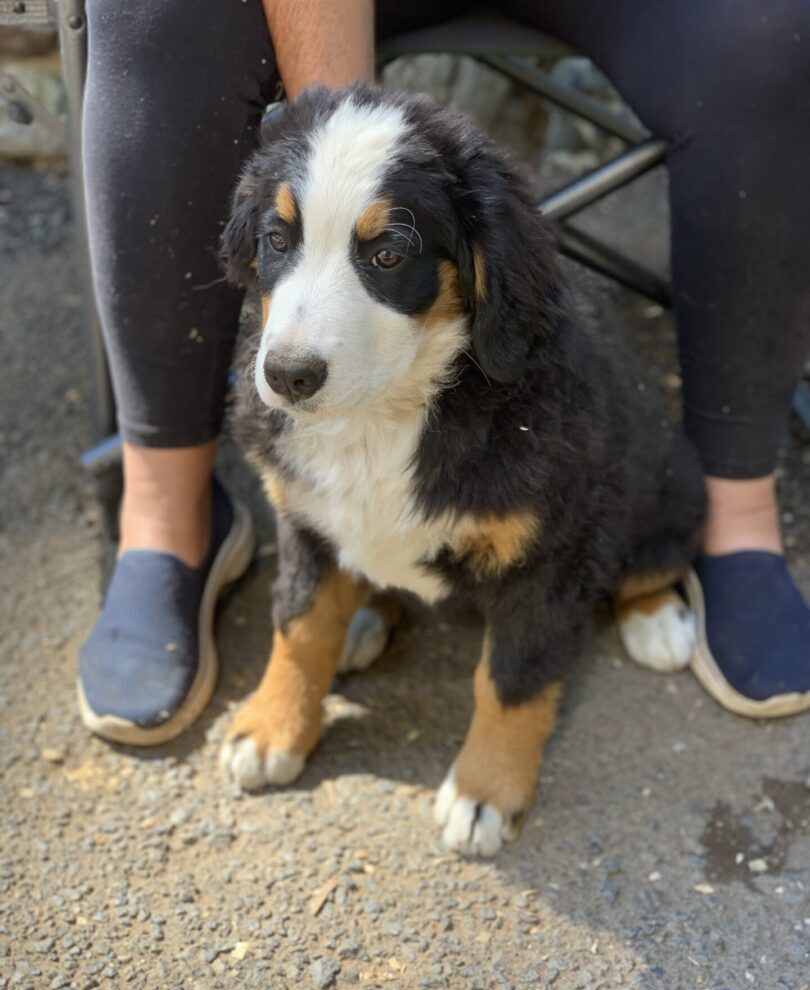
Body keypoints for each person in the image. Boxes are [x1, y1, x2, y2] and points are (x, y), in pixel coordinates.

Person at [77, 0, 810, 743]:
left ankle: (731, 520)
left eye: (388, 251)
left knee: (772, 31)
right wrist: (340, 132)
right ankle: (167, 520)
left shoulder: (532, 436)